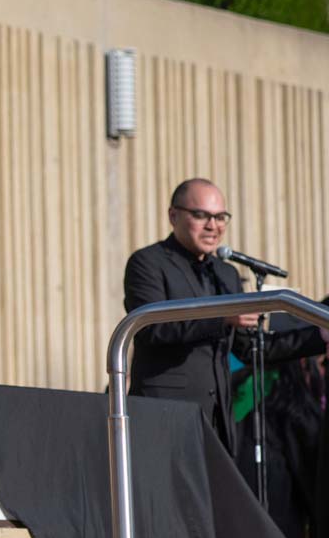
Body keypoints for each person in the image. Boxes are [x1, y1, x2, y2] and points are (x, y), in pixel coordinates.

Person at [123, 178, 324, 453]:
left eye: (220, 217)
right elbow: (151, 328)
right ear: (173, 215)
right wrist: (223, 318)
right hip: (164, 414)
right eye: (200, 215)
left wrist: (319, 336)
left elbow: (252, 349)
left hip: (218, 420)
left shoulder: (226, 273)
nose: (212, 225)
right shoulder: (148, 262)